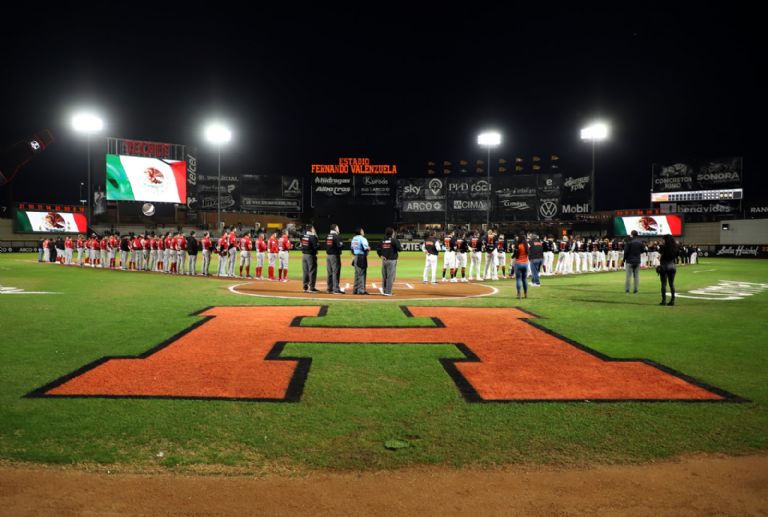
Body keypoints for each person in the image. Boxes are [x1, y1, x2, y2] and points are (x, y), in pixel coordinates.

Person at [377, 227, 402, 296]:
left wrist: (380, 255)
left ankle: (385, 291)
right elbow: (400, 249)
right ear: (392, 233)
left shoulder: (382, 240)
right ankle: (388, 292)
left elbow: (378, 249)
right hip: (392, 260)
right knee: (390, 277)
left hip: (384, 261)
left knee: (385, 276)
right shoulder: (394, 240)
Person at [658, 234, 678, 306]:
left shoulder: (663, 247)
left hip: (664, 266)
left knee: (664, 284)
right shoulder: (675, 247)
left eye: (663, 239)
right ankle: (672, 300)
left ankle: (664, 300)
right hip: (672, 266)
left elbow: (659, 257)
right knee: (671, 284)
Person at [325, 224, 344, 294]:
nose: (339, 229)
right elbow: (340, 246)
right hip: (335, 256)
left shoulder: (328, 236)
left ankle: (329, 288)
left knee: (330, 272)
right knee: (335, 272)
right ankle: (336, 289)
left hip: (328, 256)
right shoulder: (336, 236)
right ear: (335, 229)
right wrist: (342, 244)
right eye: (338, 228)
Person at [350, 227, 370, 294]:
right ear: (360, 232)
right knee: (362, 274)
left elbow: (352, 250)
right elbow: (366, 248)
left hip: (355, 257)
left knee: (356, 274)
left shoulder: (353, 239)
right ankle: (361, 290)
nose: (363, 232)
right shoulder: (362, 239)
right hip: (361, 257)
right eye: (362, 231)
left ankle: (355, 290)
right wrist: (368, 250)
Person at [300, 225, 319, 292]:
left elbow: (301, 246)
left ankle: (305, 286)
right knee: (312, 271)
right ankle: (312, 287)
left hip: (304, 255)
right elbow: (316, 247)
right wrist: (316, 239)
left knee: (305, 271)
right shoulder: (313, 237)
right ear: (311, 229)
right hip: (311, 256)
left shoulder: (304, 236)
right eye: (313, 228)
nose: (314, 229)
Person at [512, 234, 530, 299]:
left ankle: (519, 294)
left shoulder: (518, 246)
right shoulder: (526, 246)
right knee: (524, 279)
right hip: (525, 263)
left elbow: (515, 255)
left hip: (518, 263)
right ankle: (525, 294)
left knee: (518, 279)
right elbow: (528, 253)